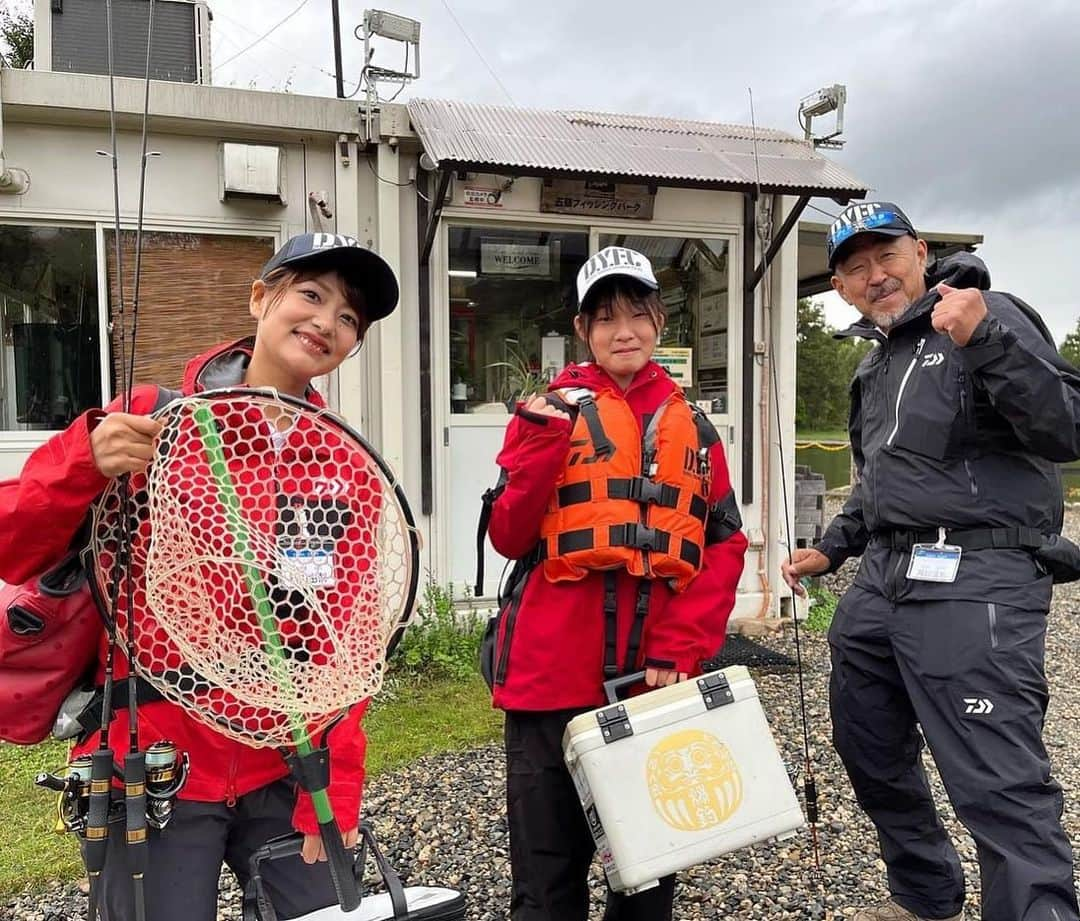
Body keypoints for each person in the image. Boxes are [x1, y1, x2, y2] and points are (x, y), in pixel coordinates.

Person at [0, 232, 400, 921]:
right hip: (150, 756)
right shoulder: (149, 420)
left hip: (286, 759)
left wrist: (331, 790)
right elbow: (14, 544)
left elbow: (351, 647)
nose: (326, 322)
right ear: (260, 298)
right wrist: (86, 461)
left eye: (348, 319)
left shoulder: (348, 466)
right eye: (311, 294)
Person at [782, 202, 1080, 921]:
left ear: (919, 252)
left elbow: (1067, 428)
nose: (874, 275)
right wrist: (834, 545)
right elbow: (881, 478)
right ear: (841, 286)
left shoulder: (988, 315)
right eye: (854, 267)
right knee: (867, 741)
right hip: (883, 580)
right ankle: (924, 896)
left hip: (979, 573)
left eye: (886, 256)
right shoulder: (874, 363)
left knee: (995, 778)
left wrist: (990, 342)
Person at [484, 245, 748, 921]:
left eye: (636, 311)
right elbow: (510, 536)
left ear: (661, 319)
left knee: (646, 872)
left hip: (647, 683)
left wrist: (679, 647)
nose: (622, 329)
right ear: (582, 329)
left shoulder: (697, 428)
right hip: (546, 678)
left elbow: (724, 545)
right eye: (604, 317)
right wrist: (542, 445)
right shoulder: (544, 412)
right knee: (545, 877)